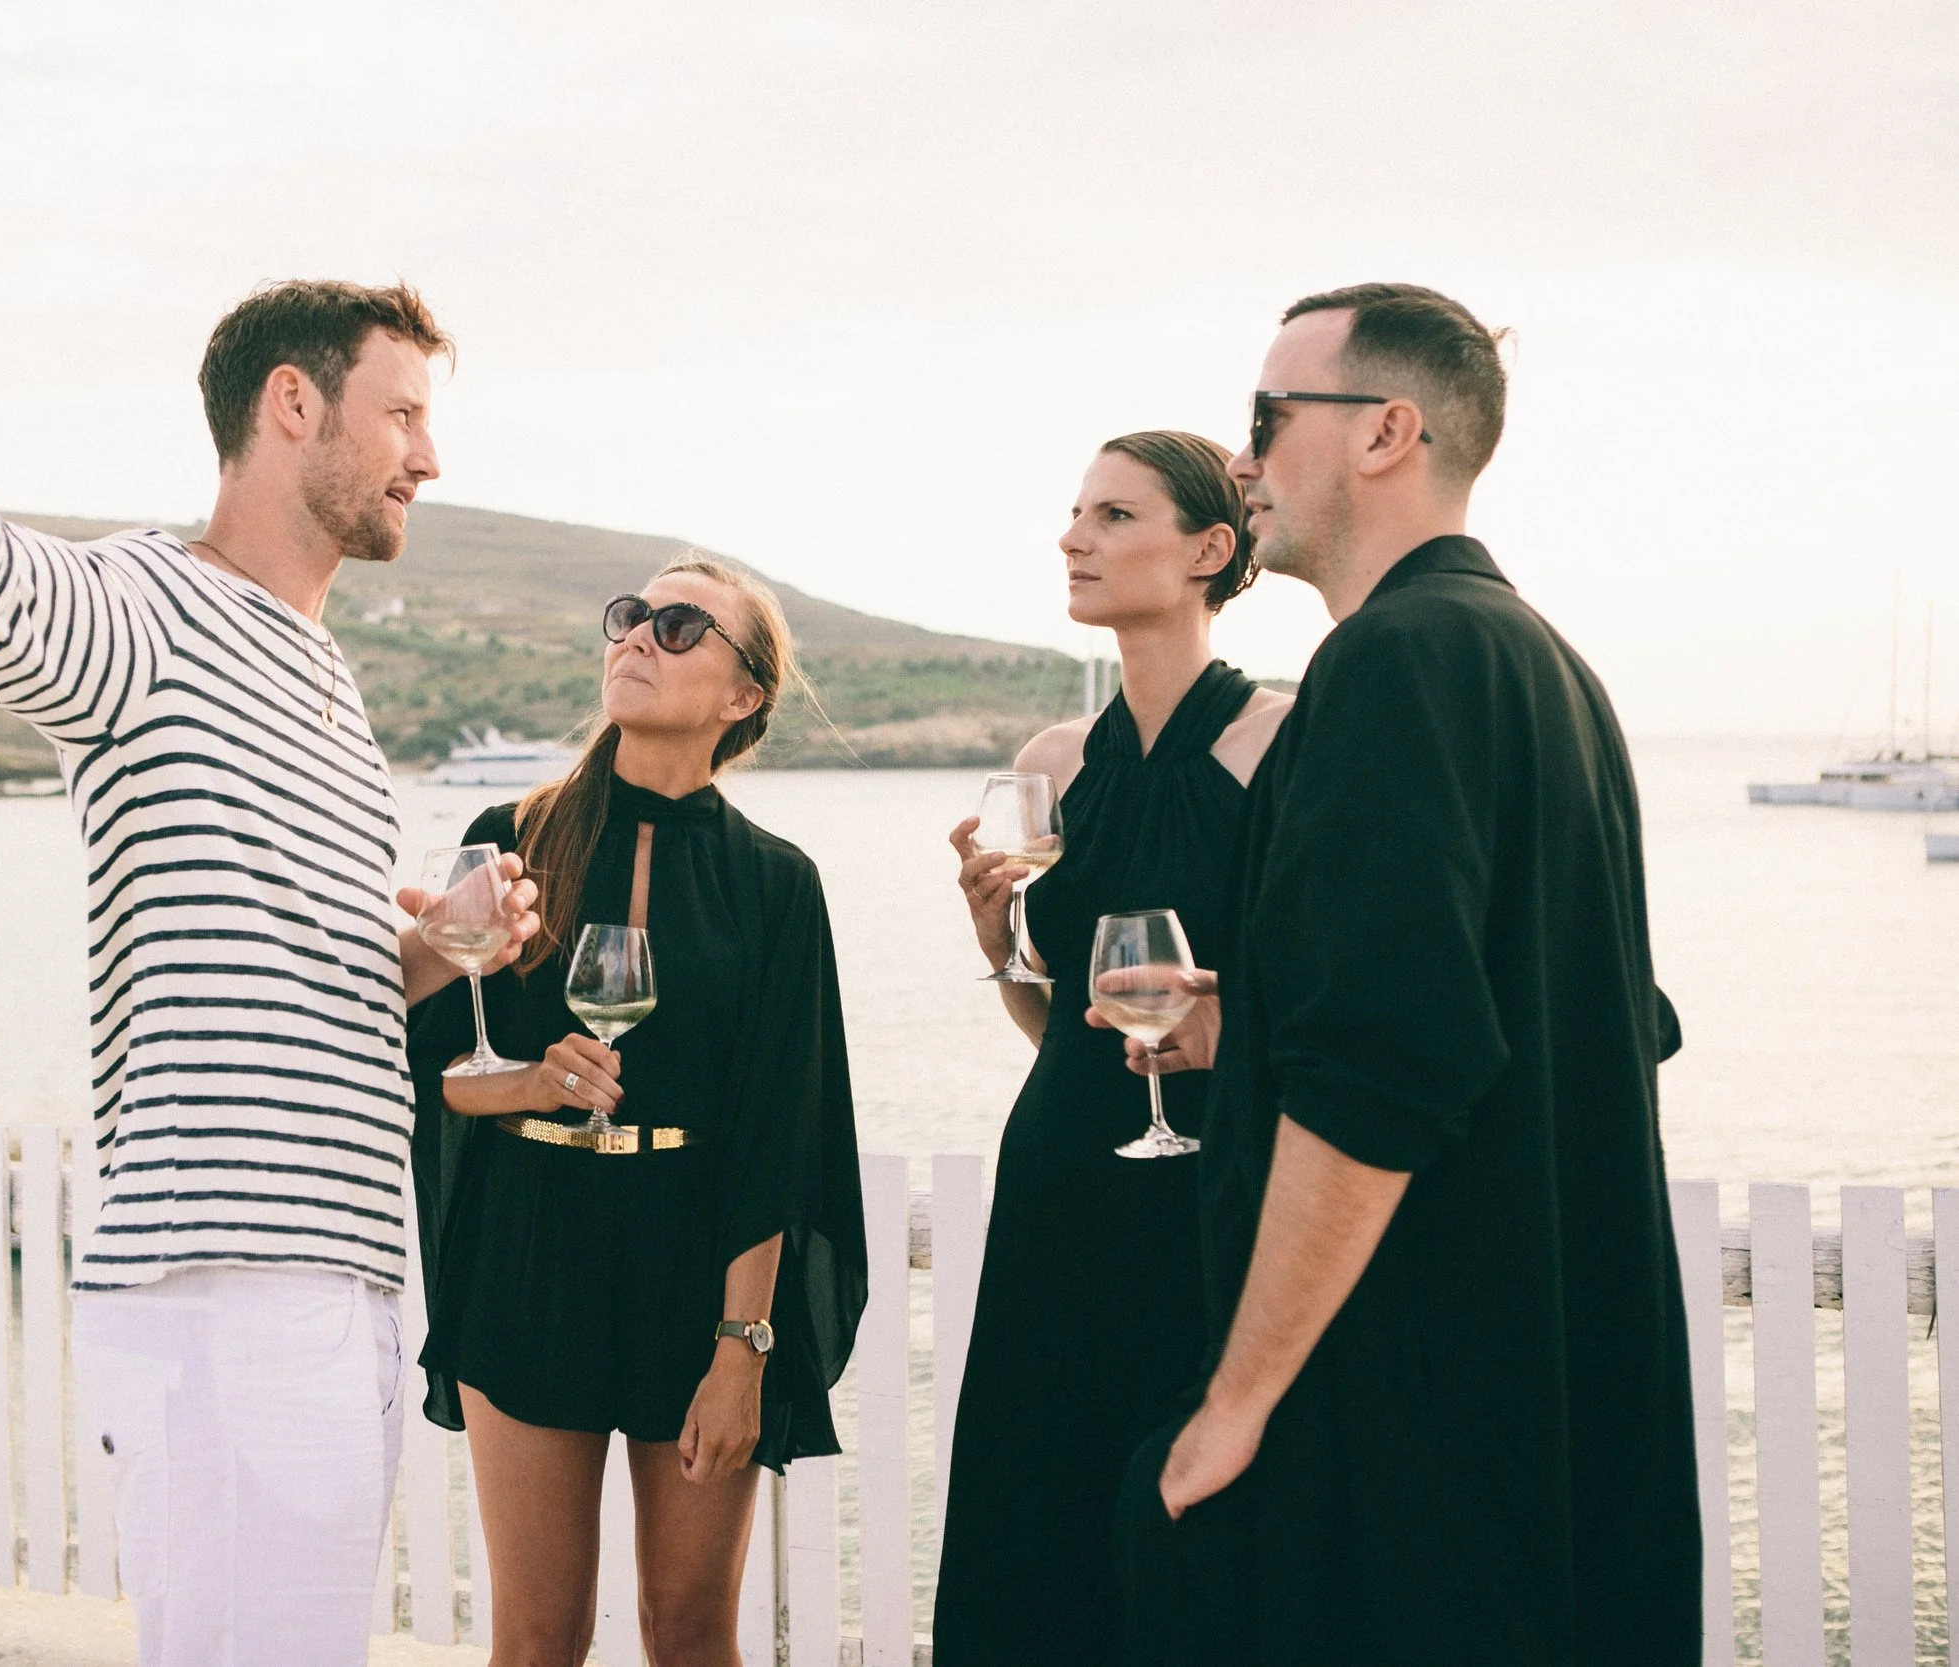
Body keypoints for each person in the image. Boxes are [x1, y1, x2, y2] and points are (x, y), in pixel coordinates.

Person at [0, 15, 538, 1666]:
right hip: (233, 1283)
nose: (431, 455)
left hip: (340, 1271)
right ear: (294, 406)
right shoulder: (151, 606)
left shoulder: (322, 673)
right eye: (406, 413)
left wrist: (434, 939)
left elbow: (320, 973)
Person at [1111, 284, 1698, 1665]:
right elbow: (1572, 1011)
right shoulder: (1543, 666)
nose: (1243, 458)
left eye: (1266, 417)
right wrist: (1243, 1029)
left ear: (1387, 430)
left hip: (1407, 1415)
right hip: (1541, 1403)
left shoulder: (1392, 665)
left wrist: (1238, 1399)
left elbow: (1385, 1068)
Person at [406, 558, 867, 1667]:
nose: (637, 638)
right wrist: (526, 1081)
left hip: (696, 1271)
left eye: (677, 626)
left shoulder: (776, 884)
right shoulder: (509, 836)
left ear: (743, 694)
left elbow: (781, 1132)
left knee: (692, 1629)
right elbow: (430, 1070)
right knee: (537, 1634)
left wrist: (741, 1347)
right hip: (530, 1256)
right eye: (628, 617)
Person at [929, 432, 1290, 1665]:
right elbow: (1060, 1028)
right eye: (1075, 512)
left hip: (1214, 1194)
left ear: (1208, 550)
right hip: (1062, 1176)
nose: (1074, 536)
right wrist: (999, 946)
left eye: (1114, 515)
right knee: (1041, 1525)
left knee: (1201, 1543)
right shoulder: (1051, 764)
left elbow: (1318, 1010)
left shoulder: (1282, 740)